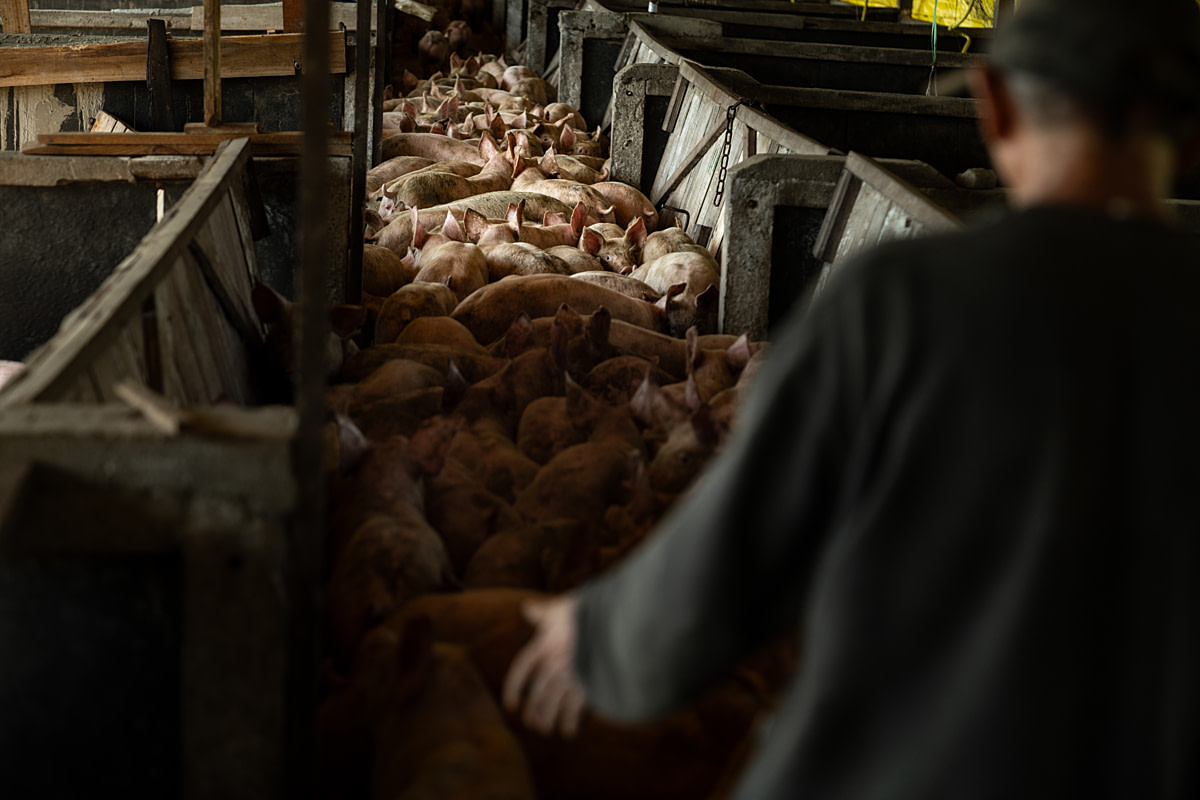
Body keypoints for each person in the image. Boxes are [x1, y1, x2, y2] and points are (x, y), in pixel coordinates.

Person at [503, 0, 1200, 796]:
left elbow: (739, 551)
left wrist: (601, 640)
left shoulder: (906, 302)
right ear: (1190, 138)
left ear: (998, 107)